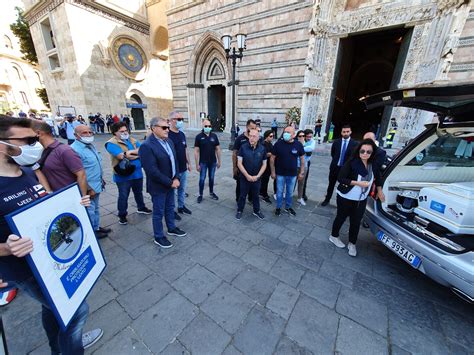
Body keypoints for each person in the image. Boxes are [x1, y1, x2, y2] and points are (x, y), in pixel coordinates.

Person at [0, 117, 103, 353]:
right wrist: (6, 248)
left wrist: (73, 205)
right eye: (27, 140)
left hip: (50, 259)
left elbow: (42, 209)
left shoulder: (26, 173)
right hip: (25, 270)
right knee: (78, 310)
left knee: (53, 309)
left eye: (35, 139)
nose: (34, 145)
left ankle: (60, 346)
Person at [329, 139, 385, 256]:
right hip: (346, 196)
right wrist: (358, 183)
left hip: (361, 199)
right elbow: (341, 178)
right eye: (362, 151)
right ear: (358, 151)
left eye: (368, 152)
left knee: (356, 221)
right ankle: (334, 236)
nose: (365, 154)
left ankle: (352, 243)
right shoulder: (352, 162)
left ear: (372, 153)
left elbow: (378, 178)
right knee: (341, 217)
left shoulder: (373, 165)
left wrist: (380, 191)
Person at [139, 117, 187, 249]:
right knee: (158, 212)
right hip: (159, 186)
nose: (167, 130)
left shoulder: (169, 141)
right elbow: (151, 170)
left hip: (172, 183)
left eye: (167, 127)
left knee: (170, 208)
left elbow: (174, 161)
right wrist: (170, 182)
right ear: (154, 128)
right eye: (164, 127)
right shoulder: (146, 146)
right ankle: (158, 236)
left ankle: (171, 228)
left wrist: (176, 177)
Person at [105, 122, 152, 225]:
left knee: (138, 192)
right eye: (122, 131)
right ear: (115, 132)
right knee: (123, 195)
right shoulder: (111, 143)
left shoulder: (132, 140)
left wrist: (130, 154)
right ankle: (122, 215)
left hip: (137, 173)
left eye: (126, 130)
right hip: (123, 175)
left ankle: (141, 207)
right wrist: (136, 154)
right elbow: (121, 156)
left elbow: (143, 151)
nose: (125, 132)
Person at [71, 125, 111, 239]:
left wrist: (101, 179)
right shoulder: (75, 150)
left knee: (96, 208)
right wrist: (88, 188)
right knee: (90, 210)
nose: (88, 135)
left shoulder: (89, 146)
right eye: (84, 133)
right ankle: (92, 231)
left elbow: (93, 165)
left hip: (96, 183)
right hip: (88, 187)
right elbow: (78, 173)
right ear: (76, 135)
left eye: (90, 132)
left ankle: (96, 227)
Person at [35, 121, 88, 196]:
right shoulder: (41, 150)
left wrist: (81, 198)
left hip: (69, 197)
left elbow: (81, 175)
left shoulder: (65, 150)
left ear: (38, 133)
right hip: (56, 196)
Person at [270, 126, 305, 216]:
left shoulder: (298, 145)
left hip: (292, 174)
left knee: (289, 192)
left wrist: (301, 172)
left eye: (288, 132)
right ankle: (278, 207)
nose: (286, 134)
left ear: (293, 135)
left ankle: (288, 207)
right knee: (279, 192)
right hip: (280, 173)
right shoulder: (278, 144)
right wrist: (273, 172)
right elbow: (272, 158)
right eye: (285, 131)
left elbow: (302, 159)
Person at [321, 124, 358, 206]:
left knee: (344, 186)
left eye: (347, 131)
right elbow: (333, 153)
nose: (346, 133)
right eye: (344, 132)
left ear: (350, 132)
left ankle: (341, 203)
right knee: (331, 184)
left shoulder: (355, 144)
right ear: (341, 132)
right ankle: (327, 199)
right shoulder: (336, 142)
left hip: (346, 170)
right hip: (335, 168)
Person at [236, 129, 267, 220]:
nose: (251, 138)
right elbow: (239, 163)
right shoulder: (243, 147)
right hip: (244, 178)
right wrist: (247, 176)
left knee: (256, 195)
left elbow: (264, 164)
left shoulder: (262, 149)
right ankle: (239, 210)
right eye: (250, 136)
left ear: (258, 138)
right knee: (242, 195)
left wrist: (257, 176)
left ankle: (256, 211)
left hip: (257, 178)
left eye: (254, 136)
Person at [168, 112, 192, 218]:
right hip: (173, 170)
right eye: (178, 119)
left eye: (181, 119)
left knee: (182, 189)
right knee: (172, 192)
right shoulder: (167, 135)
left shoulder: (181, 134)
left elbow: (185, 149)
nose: (180, 121)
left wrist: (189, 163)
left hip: (183, 168)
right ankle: (171, 211)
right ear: (172, 120)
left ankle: (181, 206)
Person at [194, 119, 221, 203]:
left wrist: (219, 161)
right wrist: (196, 164)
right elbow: (196, 151)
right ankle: (200, 194)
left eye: (209, 126)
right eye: (206, 126)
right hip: (203, 162)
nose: (208, 127)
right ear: (203, 126)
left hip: (213, 162)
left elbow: (218, 149)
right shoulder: (199, 137)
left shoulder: (214, 136)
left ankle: (211, 192)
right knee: (202, 179)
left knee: (212, 178)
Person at [232, 119, 257, 202]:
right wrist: (234, 167)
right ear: (247, 127)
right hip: (241, 167)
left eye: (254, 128)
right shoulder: (240, 139)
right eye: (251, 128)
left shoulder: (255, 138)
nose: (253, 130)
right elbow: (234, 153)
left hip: (252, 167)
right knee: (240, 185)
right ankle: (238, 200)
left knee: (252, 185)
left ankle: (250, 199)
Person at [296, 129, 315, 205]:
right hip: (295, 165)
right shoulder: (296, 142)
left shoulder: (312, 142)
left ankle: (300, 197)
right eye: (307, 136)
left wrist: (301, 147)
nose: (309, 138)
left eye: (303, 136)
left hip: (305, 165)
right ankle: (289, 195)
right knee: (292, 182)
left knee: (302, 182)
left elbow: (311, 148)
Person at [259, 130, 274, 204]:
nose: (272, 137)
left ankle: (262, 192)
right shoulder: (262, 144)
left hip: (269, 165)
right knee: (264, 180)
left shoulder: (270, 144)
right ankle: (264, 194)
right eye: (270, 136)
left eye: (272, 136)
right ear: (266, 136)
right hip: (263, 165)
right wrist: (270, 154)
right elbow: (262, 154)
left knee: (266, 180)